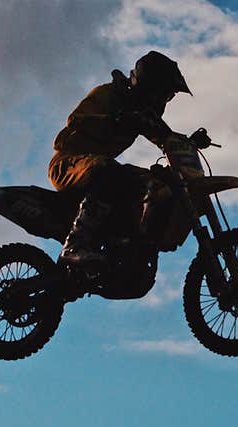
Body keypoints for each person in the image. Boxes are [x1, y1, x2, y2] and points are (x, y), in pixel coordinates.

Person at [48, 50, 192, 268]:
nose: (165, 100)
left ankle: (129, 242)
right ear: (149, 86)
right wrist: (115, 120)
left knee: (153, 181)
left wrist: (189, 142)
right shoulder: (109, 95)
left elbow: (164, 137)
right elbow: (75, 121)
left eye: (169, 96)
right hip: (68, 164)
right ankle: (74, 245)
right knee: (113, 171)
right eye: (164, 94)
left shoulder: (141, 112)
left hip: (97, 168)